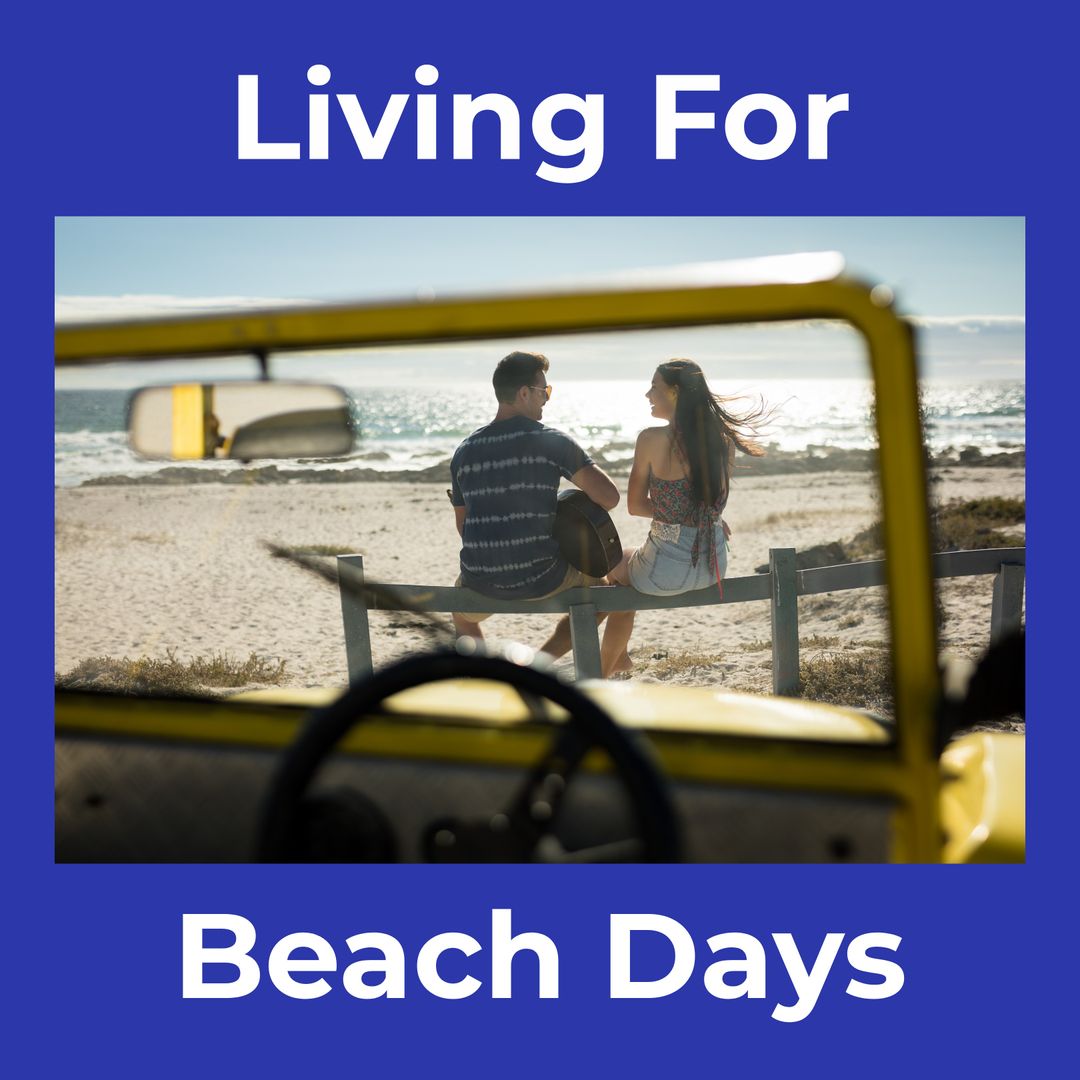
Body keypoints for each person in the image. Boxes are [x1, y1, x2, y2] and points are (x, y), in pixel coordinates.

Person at [597, 359, 769, 677]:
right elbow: (710, 501)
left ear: (674, 393)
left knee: (613, 568)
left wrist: (673, 514)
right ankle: (618, 659)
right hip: (711, 569)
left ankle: (605, 670)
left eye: (655, 387)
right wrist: (708, 518)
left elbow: (635, 506)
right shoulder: (723, 441)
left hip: (665, 572)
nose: (648, 394)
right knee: (625, 576)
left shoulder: (650, 439)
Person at [449, 351, 620, 650]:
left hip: (480, 581)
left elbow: (463, 528)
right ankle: (540, 663)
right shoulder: (552, 442)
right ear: (525, 393)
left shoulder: (464, 452)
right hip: (544, 576)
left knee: (462, 615)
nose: (547, 399)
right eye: (545, 391)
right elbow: (609, 497)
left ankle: (489, 677)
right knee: (606, 593)